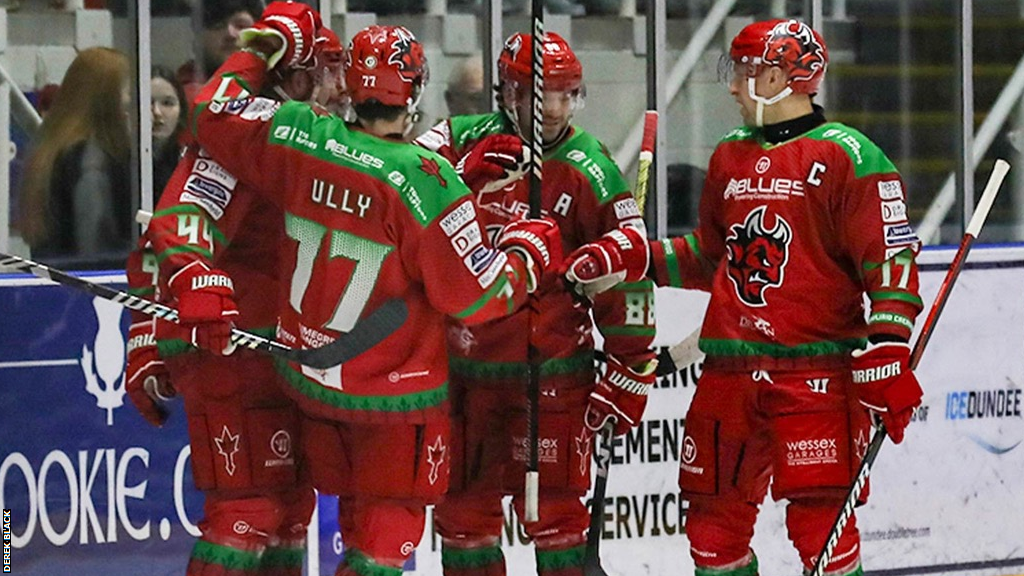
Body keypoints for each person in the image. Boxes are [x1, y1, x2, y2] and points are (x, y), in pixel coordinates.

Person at [185, 6, 563, 576]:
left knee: (295, 511)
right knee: (385, 536)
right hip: (393, 402)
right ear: (413, 91)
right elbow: (476, 297)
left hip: (311, 385)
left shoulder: (300, 133)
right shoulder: (427, 182)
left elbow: (216, 109)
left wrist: (261, 48)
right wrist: (528, 253)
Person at [563, 19, 925, 576]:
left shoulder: (850, 157)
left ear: (783, 77)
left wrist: (889, 344)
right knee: (711, 529)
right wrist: (633, 258)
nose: (732, 86)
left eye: (745, 72)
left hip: (814, 374)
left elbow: (891, 261)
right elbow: (712, 257)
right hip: (730, 372)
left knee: (820, 526)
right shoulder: (730, 154)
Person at [414, 32, 657, 576]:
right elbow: (398, 181)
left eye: (568, 95)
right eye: (542, 95)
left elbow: (631, 274)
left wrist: (630, 366)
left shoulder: (590, 167)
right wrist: (461, 177)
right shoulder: (459, 137)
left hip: (551, 374)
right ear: (509, 94)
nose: (556, 109)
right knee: (462, 515)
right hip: (464, 374)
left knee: (556, 516)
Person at [122, 15, 353, 576]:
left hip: (289, 350)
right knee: (246, 509)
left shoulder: (322, 136)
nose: (339, 87)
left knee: (294, 510)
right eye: (324, 71)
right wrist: (150, 333)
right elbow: (175, 223)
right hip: (229, 343)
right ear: (292, 76)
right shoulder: (247, 130)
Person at [17, 46, 132, 266]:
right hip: (95, 288)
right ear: (108, 97)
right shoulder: (90, 158)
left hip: (59, 285)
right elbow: (95, 248)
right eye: (129, 92)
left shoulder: (50, 150)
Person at [177, 0, 263, 103]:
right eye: (218, 26)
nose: (230, 34)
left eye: (241, 26)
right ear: (198, 39)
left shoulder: (282, 89)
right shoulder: (180, 99)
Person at [151, 65, 187, 195]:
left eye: (167, 103)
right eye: (148, 102)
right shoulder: (125, 167)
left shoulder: (188, 163)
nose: (157, 112)